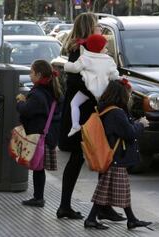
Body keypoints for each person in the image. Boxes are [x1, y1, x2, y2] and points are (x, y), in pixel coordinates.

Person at [57, 12, 124, 221]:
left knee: (101, 156)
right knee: (82, 157)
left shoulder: (90, 49)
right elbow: (75, 82)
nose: (100, 29)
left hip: (91, 111)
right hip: (87, 113)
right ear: (88, 28)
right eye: (97, 26)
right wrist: (100, 92)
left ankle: (100, 205)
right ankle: (68, 206)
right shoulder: (79, 50)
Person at [84, 79, 152, 230]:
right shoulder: (116, 112)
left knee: (112, 190)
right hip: (116, 158)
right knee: (109, 191)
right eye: (128, 93)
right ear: (121, 94)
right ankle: (91, 219)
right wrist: (141, 124)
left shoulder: (107, 109)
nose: (130, 97)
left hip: (112, 156)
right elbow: (130, 133)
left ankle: (131, 219)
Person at [16, 60, 63, 207]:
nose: (30, 75)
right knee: (39, 168)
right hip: (50, 134)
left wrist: (20, 102)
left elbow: (27, 111)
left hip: (39, 135)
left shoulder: (37, 93)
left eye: (31, 72)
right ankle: (38, 196)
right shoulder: (55, 91)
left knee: (38, 167)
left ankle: (38, 198)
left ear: (39, 74)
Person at [64, 33, 119, 137]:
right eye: (105, 47)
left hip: (88, 89)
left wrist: (66, 65)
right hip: (103, 91)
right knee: (103, 112)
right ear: (99, 47)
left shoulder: (85, 58)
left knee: (74, 104)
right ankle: (105, 130)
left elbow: (75, 68)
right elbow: (114, 76)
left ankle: (75, 125)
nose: (106, 49)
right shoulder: (109, 60)